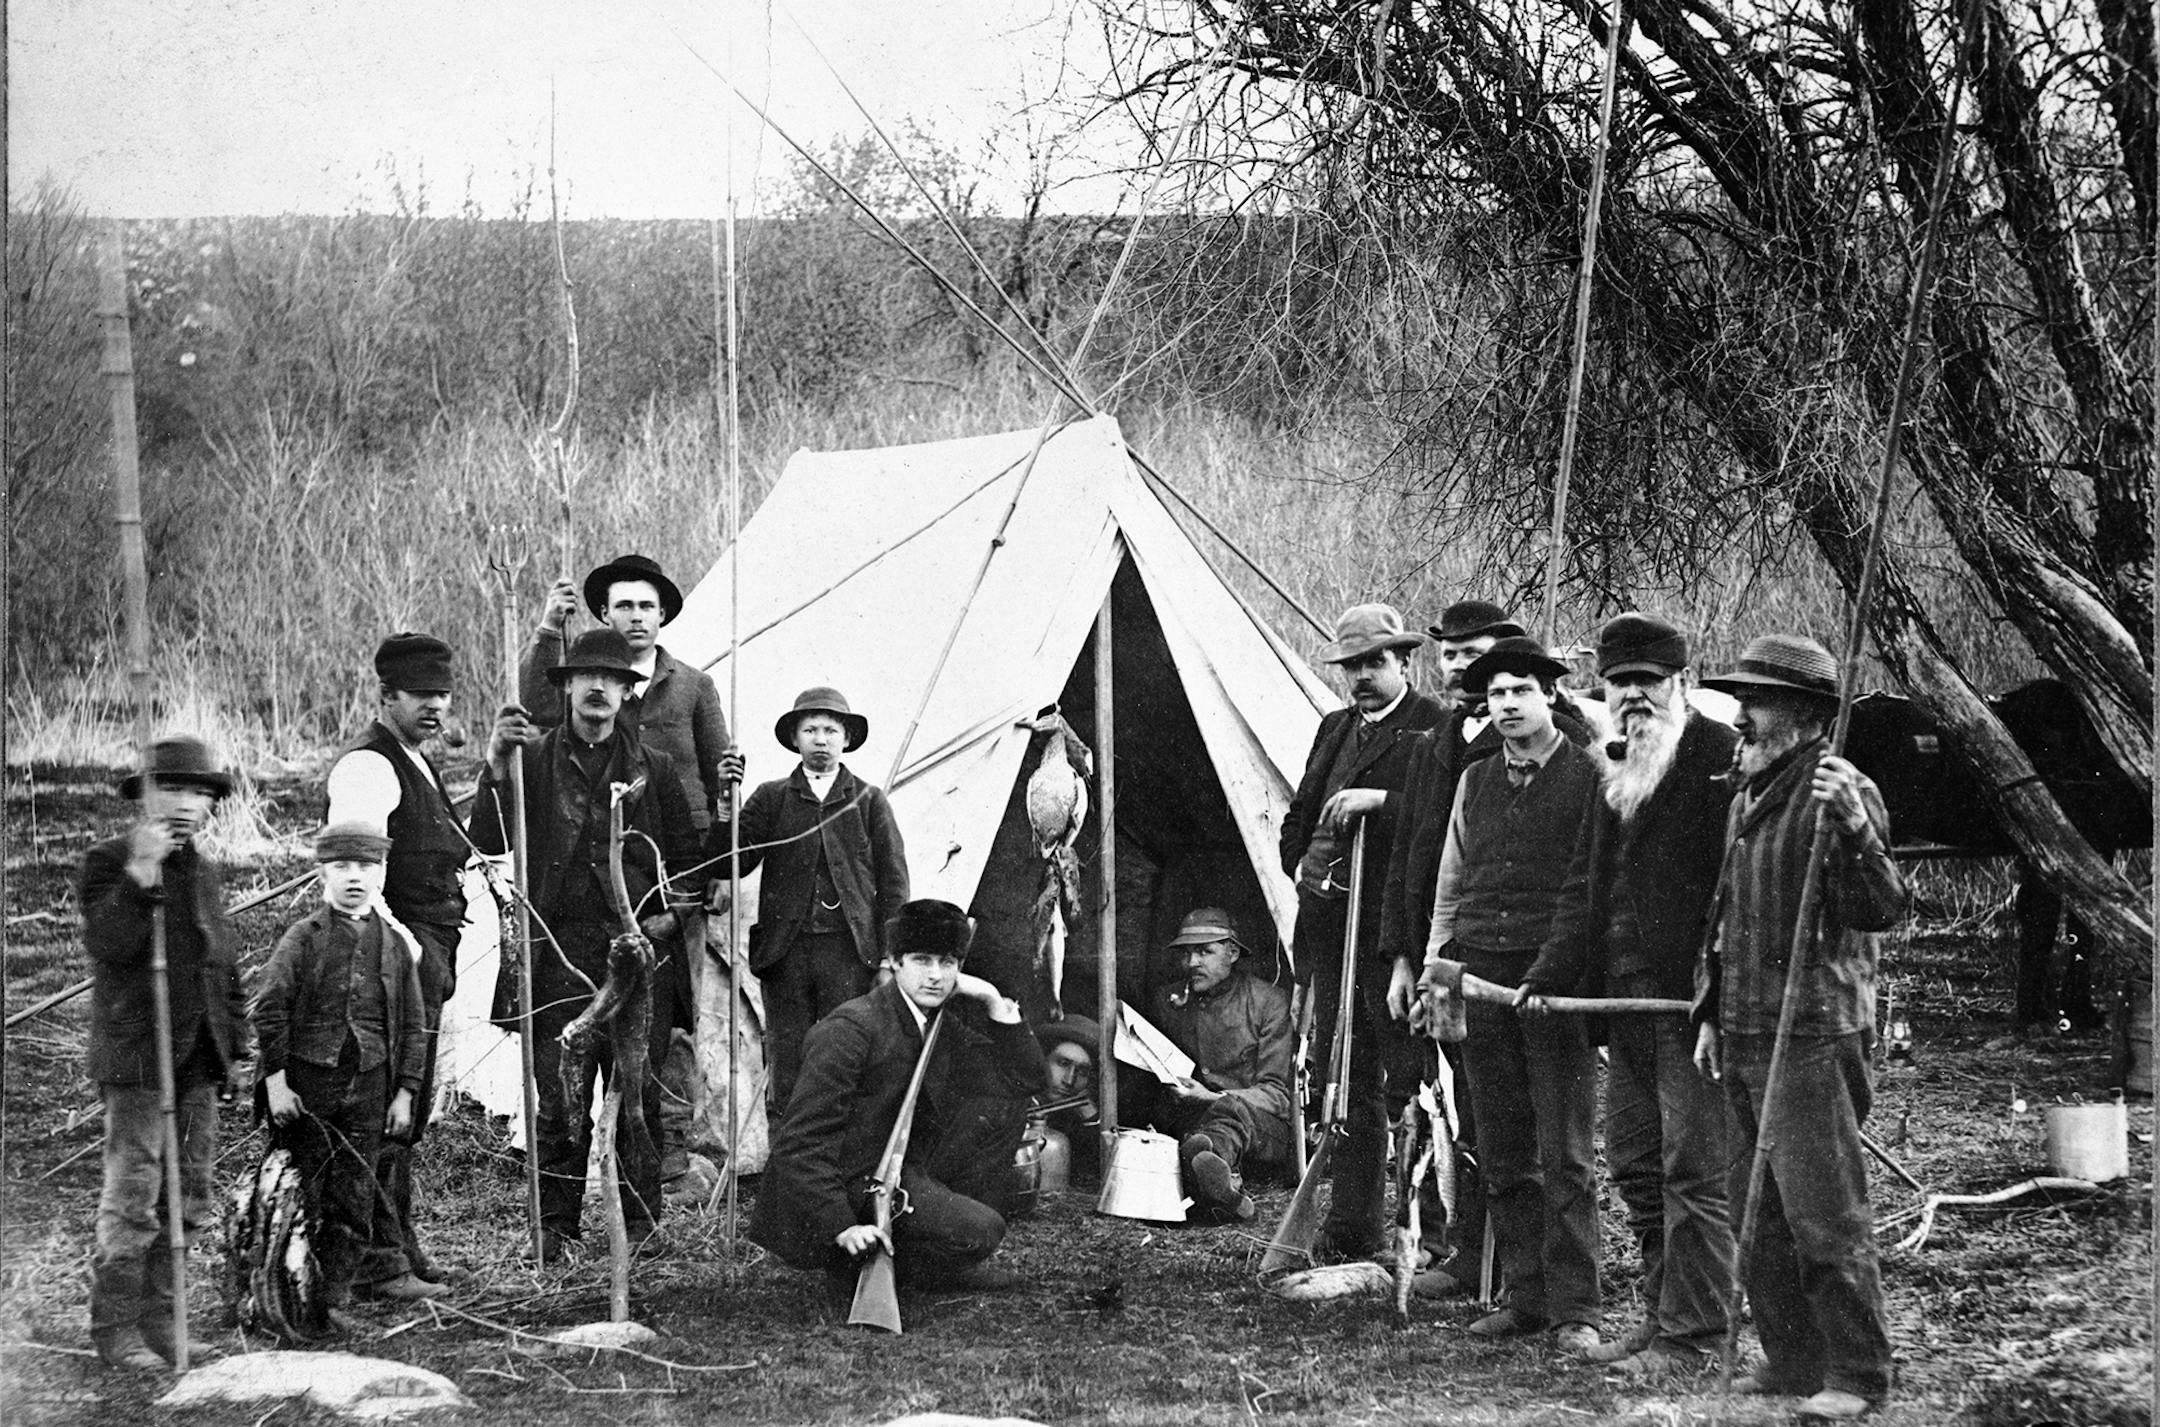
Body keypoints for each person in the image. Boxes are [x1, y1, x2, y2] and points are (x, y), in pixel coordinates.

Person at [1692, 634, 1908, 1422]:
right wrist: (1710, 1012)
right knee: (1760, 1213)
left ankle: (1857, 1371)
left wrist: (1855, 829)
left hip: (1813, 1030)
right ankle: (1792, 1358)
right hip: (1746, 1027)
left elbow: (1881, 907)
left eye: (1757, 698)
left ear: (1807, 713)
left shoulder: (1838, 789)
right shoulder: (1746, 790)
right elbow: (1722, 916)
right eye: (1740, 696)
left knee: (1824, 1212)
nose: (1739, 712)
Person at [1516, 614, 1739, 1376]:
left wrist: (1718, 991)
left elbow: (1732, 893)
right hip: (1624, 1006)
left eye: (1649, 682)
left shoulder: (1719, 758)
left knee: (1693, 1169)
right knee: (1638, 1164)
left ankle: (1699, 1336)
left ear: (1680, 681)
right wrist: (1547, 975)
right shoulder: (1611, 761)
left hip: (1689, 1006)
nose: (1634, 697)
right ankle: (1662, 1312)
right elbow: (1586, 882)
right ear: (1603, 690)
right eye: (1621, 684)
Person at [471, 628, 702, 1261]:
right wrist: (495, 766)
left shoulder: (653, 769)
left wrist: (664, 924)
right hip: (556, 957)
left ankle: (642, 1230)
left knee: (638, 1098)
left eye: (613, 679)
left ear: (629, 692)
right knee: (560, 1103)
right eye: (586, 678)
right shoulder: (532, 760)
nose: (599, 688)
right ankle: (557, 1237)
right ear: (568, 686)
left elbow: (687, 864)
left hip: (637, 957)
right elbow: (488, 839)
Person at [521, 555, 733, 1186]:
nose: (635, 616)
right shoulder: (557, 731)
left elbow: (707, 800)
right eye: (623, 606)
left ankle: (652, 1184)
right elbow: (535, 712)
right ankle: (559, 1208)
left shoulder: (681, 708)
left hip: (654, 909)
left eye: (646, 606)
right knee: (567, 1066)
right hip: (568, 915)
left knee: (650, 1054)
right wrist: (541, 633)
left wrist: (692, 892)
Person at [1417, 636, 1603, 1356]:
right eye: (1495, 695)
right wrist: (1439, 963)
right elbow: (1451, 879)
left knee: (1567, 1152)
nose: (1507, 706)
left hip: (1552, 990)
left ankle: (1577, 1308)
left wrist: (1551, 975)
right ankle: (1525, 1298)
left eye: (1520, 691)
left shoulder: (1586, 776)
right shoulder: (1475, 780)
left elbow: (1586, 889)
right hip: (1480, 981)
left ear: (1549, 695)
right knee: (1502, 1147)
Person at [750, 899, 1047, 1307]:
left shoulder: (939, 1022)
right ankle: (859, 1261)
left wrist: (995, 1001)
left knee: (1003, 1109)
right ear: (893, 961)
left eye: (948, 962)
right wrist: (841, 1227)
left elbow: (1023, 1082)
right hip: (848, 1183)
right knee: (983, 1231)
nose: (936, 976)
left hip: (903, 1168)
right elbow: (800, 1143)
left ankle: (928, 1260)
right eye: (922, 960)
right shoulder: (850, 1029)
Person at [1278, 603, 1445, 1260]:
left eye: (1375, 662)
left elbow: (1440, 820)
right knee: (1341, 1079)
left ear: (1404, 661)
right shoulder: (1334, 727)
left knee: (1407, 1082)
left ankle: (1426, 1235)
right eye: (1353, 666)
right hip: (1331, 932)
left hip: (1391, 932)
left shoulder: (1432, 727)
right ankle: (1353, 1225)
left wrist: (1382, 803)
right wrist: (1302, 861)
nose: (1363, 677)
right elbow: (1301, 811)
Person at [79, 736, 250, 1370]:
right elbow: (109, 942)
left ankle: (165, 1322)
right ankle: (117, 1330)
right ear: (144, 795)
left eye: (198, 793)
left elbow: (222, 969)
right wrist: (141, 874)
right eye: (171, 790)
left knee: (190, 1192)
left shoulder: (205, 874)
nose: (185, 805)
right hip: (139, 1058)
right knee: (135, 1190)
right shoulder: (108, 861)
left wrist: (232, 1047)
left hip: (199, 1059)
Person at [1374, 598, 1525, 1291]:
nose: (1460, 664)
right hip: (1435, 948)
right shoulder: (1437, 737)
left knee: (1508, 1116)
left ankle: (1519, 1267)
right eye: (1451, 653)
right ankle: (1471, 1259)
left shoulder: (1522, 735)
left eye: (1475, 652)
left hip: (1495, 953)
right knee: (1456, 1106)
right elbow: (1411, 852)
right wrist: (1403, 954)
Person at [322, 631, 467, 1288]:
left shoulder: (416, 758)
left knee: (411, 1098)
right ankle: (375, 1261)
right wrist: (400, 949)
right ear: (387, 695)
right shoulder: (368, 766)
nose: (435, 706)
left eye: (442, 693)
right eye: (421, 695)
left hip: (425, 951)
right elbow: (356, 870)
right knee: (386, 1101)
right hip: (390, 956)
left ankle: (399, 1245)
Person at [251, 825, 435, 1312]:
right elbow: (269, 1008)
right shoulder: (303, 939)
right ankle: (290, 1298)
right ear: (321, 874)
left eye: (366, 867)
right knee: (304, 1195)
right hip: (310, 1089)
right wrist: (276, 1084)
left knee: (355, 1198)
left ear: (381, 873)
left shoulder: (395, 944)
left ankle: (332, 1301)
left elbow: (415, 1025)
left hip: (371, 1086)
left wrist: (405, 1094)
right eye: (341, 867)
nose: (354, 878)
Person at [716, 686, 909, 1110]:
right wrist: (727, 806)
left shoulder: (868, 800)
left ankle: (840, 1163)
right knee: (788, 1063)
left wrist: (888, 958)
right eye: (810, 729)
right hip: (786, 956)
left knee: (847, 1055)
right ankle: (789, 1161)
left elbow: (894, 885)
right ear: (795, 739)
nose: (821, 739)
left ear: (846, 739)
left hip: (849, 954)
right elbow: (731, 862)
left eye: (831, 730)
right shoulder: (771, 797)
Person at [1129, 909, 1294, 1222]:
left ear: (1232, 952)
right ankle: (1217, 1182)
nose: (1192, 963)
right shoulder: (1169, 1000)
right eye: (1187, 953)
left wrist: (1213, 1098)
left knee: (1232, 1112)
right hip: (1193, 1119)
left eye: (1205, 952)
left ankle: (1208, 1163)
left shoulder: (1268, 1001)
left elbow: (1278, 1095)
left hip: (1261, 1130)